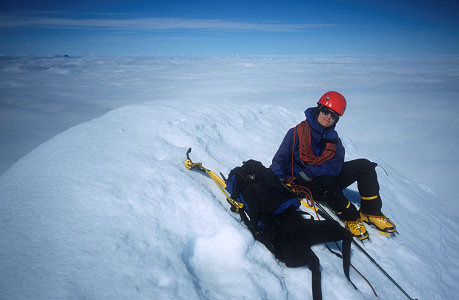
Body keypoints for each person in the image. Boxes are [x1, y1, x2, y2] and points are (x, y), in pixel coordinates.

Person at [270, 91, 396, 240]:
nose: (328, 117)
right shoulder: (296, 133)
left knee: (365, 166)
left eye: (333, 115)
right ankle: (350, 217)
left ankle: (370, 212)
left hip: (317, 177)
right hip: (303, 183)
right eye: (325, 111)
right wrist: (278, 181)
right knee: (326, 181)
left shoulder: (333, 140)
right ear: (318, 109)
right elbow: (280, 159)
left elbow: (336, 166)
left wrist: (311, 171)